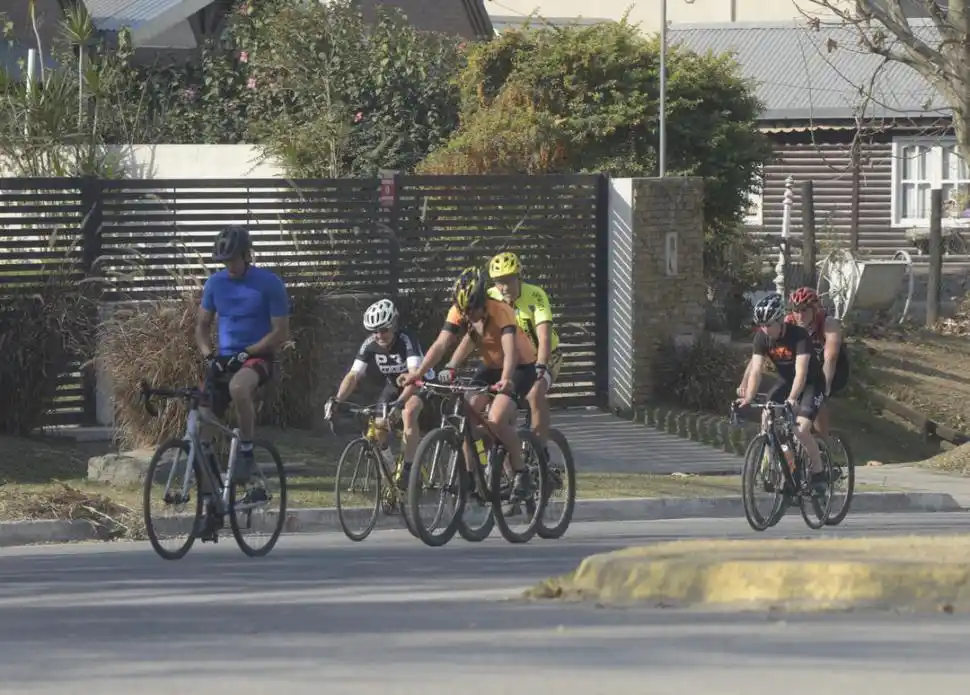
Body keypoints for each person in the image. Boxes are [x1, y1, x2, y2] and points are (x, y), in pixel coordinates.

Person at [401, 266, 538, 504]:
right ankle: (473, 475)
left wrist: (506, 380)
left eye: (472, 310)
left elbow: (510, 351)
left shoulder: (501, 310)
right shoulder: (461, 311)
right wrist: (418, 374)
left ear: (482, 300)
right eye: (464, 311)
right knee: (468, 410)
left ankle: (521, 472)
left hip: (519, 367)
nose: (468, 316)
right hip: (490, 366)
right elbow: (441, 344)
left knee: (495, 419)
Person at [195, 225, 289, 495]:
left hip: (257, 358)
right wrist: (208, 355)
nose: (230, 266)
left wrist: (248, 351)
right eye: (225, 262)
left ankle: (246, 451)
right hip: (224, 360)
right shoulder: (215, 284)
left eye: (234, 259)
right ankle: (212, 497)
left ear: (247, 255)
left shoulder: (269, 283)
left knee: (238, 388)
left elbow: (280, 332)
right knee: (201, 422)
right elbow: (201, 326)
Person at [333, 298, 431, 489]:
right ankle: (391, 472)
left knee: (408, 412)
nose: (379, 335)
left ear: (394, 325)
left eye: (384, 329)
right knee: (377, 431)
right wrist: (337, 400)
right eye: (374, 331)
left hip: (419, 382)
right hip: (393, 385)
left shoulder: (406, 339)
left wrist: (400, 404)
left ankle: (409, 470)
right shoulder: (369, 344)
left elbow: (414, 378)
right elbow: (353, 376)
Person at [736, 293, 828, 494]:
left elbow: (802, 372)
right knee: (767, 417)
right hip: (786, 381)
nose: (765, 330)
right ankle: (779, 468)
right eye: (762, 325)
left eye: (769, 325)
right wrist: (749, 397)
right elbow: (756, 370)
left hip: (811, 383)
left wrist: (793, 398)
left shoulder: (798, 336)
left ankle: (819, 474)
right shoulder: (761, 337)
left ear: (780, 320)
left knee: (801, 430)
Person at [486, 251, 562, 448]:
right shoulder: (491, 296)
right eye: (498, 282)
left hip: (545, 356)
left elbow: (544, 336)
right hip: (515, 360)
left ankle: (540, 449)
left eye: (509, 281)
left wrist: (541, 366)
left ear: (519, 277)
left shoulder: (535, 295)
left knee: (534, 393)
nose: (504, 287)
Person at [785, 286, 849, 437]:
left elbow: (831, 357)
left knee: (818, 400)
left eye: (804, 311)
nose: (800, 316)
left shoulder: (828, 323)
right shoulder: (789, 322)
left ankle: (823, 443)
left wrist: (824, 387)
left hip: (835, 367)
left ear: (815, 310)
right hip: (809, 366)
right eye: (796, 310)